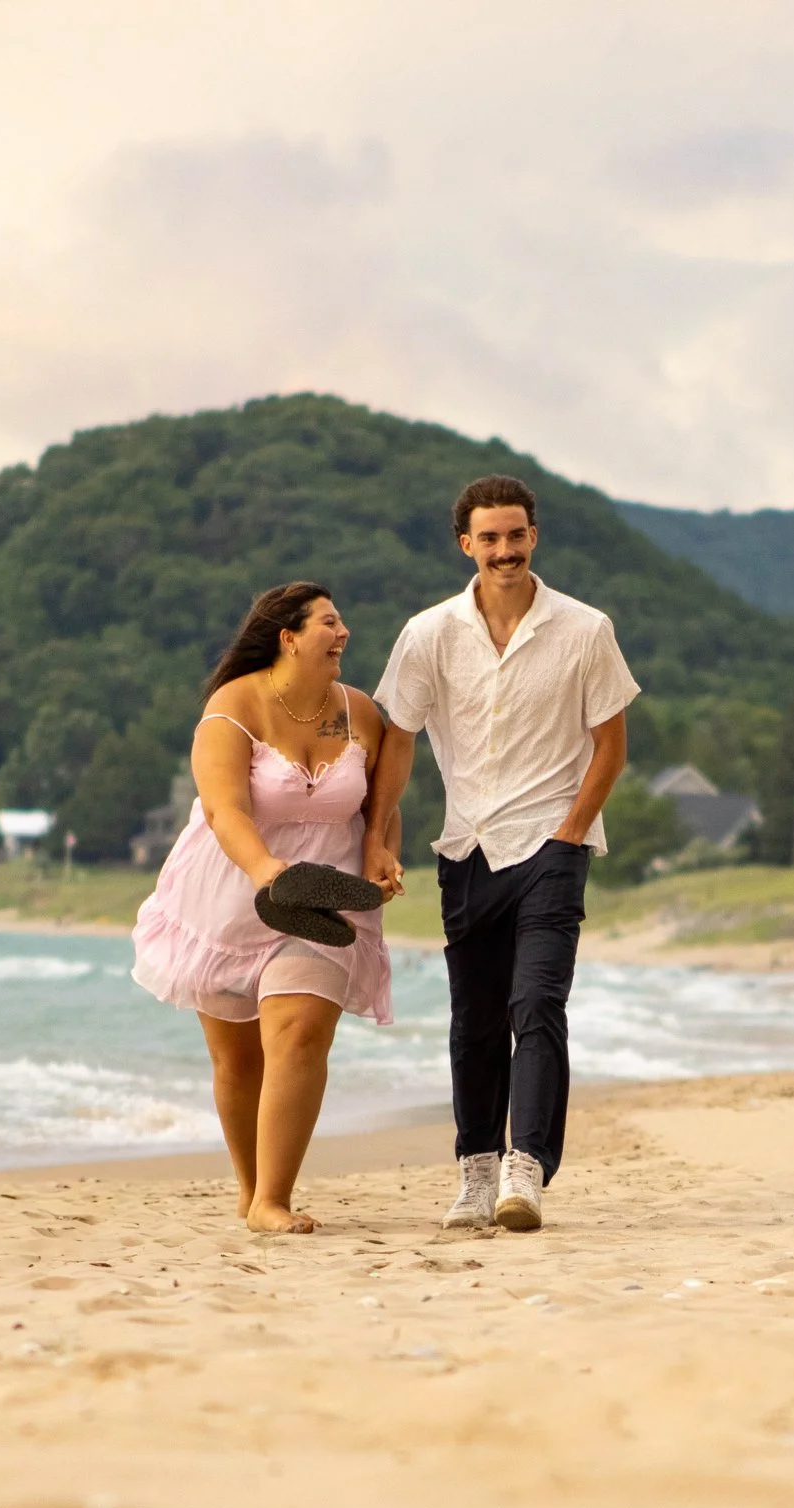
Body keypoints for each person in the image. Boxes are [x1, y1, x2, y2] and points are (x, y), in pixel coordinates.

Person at [372, 475, 639, 1232]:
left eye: (515, 535)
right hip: (467, 849)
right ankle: (476, 1172)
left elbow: (610, 745)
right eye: (489, 538)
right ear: (466, 544)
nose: (504, 550)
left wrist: (571, 829)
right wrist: (376, 834)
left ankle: (528, 1168)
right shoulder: (428, 633)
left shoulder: (586, 629)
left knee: (537, 1004)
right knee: (475, 1021)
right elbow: (399, 737)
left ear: (534, 537)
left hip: (553, 845)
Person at [130, 582, 407, 1234]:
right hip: (229, 893)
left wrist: (381, 852)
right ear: (288, 635)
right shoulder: (235, 705)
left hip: (321, 897)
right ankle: (250, 1190)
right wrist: (267, 874)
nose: (343, 634)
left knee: (300, 1030)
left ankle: (273, 1199)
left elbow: (382, 806)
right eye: (329, 623)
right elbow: (224, 808)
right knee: (237, 1060)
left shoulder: (359, 713)